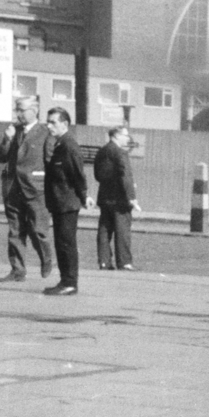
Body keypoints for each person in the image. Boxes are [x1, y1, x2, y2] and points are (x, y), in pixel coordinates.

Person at [0, 95, 54, 282]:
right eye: (16, 109)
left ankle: (46, 259)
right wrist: (7, 140)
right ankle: (17, 270)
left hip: (36, 188)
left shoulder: (46, 132)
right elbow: (1, 157)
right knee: (15, 230)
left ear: (34, 111)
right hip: (13, 188)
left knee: (39, 230)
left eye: (21, 110)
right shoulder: (13, 131)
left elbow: (50, 161)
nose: (17, 113)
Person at [42, 107, 88, 295]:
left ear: (65, 124)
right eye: (48, 121)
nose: (49, 125)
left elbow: (77, 174)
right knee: (62, 242)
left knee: (66, 243)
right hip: (60, 202)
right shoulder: (60, 144)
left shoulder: (69, 145)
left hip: (67, 202)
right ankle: (65, 281)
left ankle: (70, 283)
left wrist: (84, 196)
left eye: (53, 122)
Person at [94, 124, 140, 270]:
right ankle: (124, 262)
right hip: (120, 198)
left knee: (104, 230)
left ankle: (104, 261)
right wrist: (131, 197)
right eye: (126, 135)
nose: (127, 138)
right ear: (117, 136)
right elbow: (125, 176)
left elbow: (97, 175)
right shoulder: (120, 153)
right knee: (122, 231)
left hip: (104, 196)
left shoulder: (101, 152)